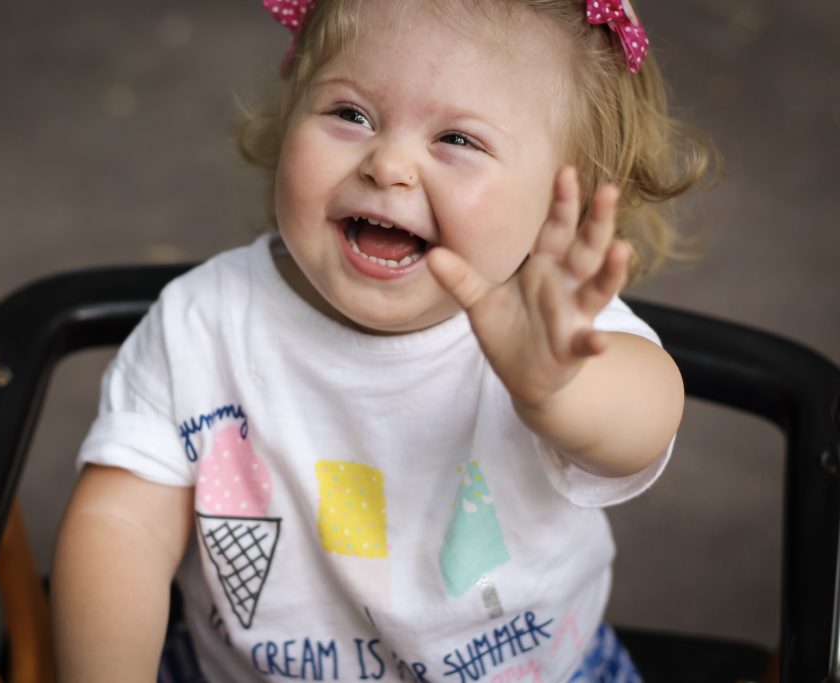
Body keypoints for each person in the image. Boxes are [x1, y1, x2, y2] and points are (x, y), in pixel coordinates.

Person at [51, 0, 714, 681]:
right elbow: (122, 526)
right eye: (351, 114)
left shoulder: (546, 329)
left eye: (458, 140)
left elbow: (647, 417)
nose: (389, 162)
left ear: (560, 205)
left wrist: (559, 389)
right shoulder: (202, 322)